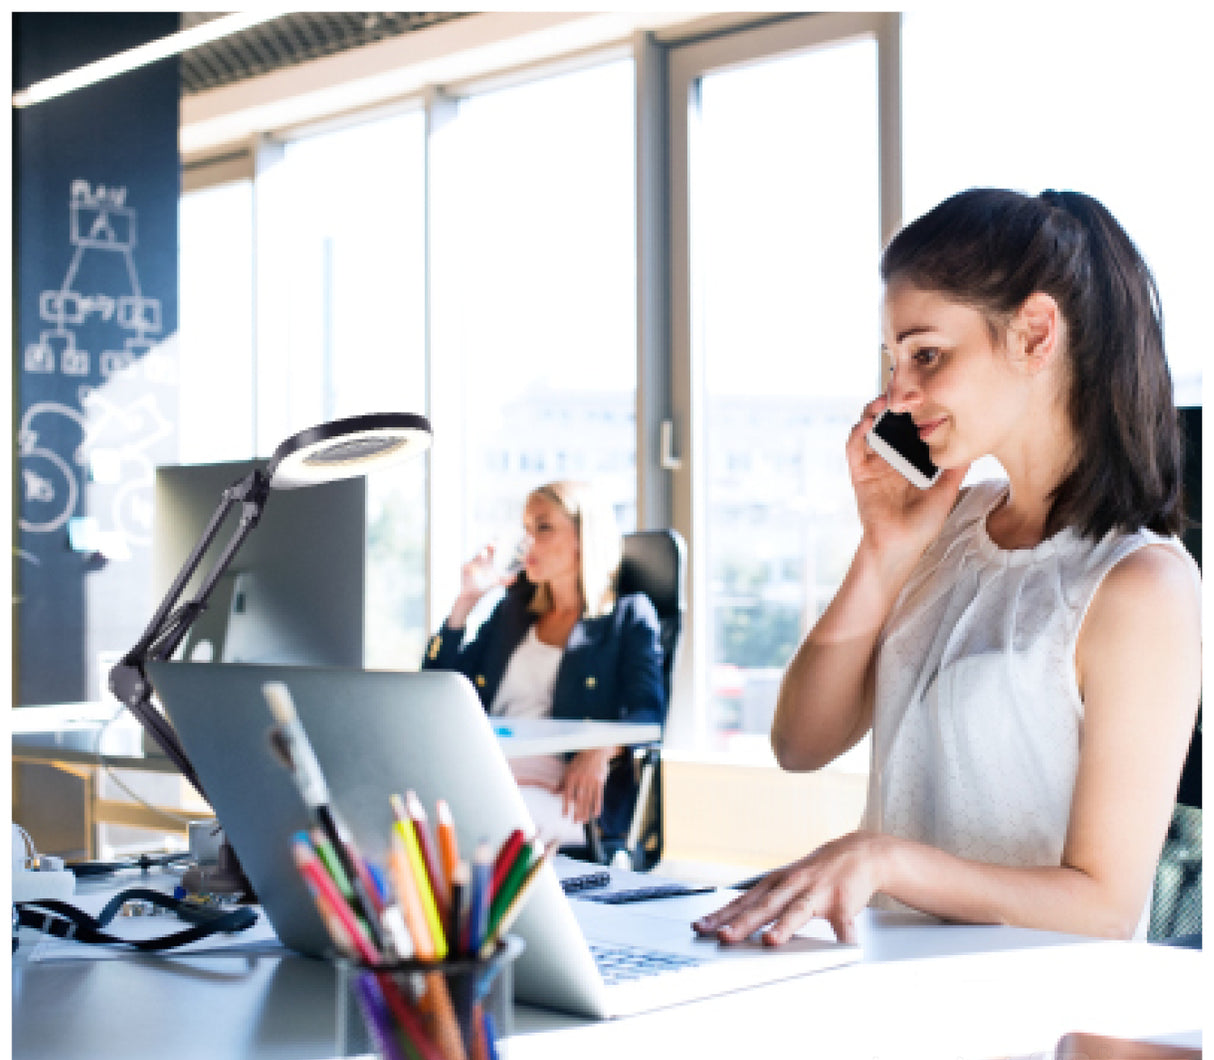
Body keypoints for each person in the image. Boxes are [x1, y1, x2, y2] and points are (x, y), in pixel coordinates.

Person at [695, 188, 1200, 947]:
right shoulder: (950, 521)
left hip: (1020, 1036)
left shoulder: (1140, 586)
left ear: (1034, 334)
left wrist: (887, 862)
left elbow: (1105, 906)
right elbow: (800, 743)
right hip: (886, 992)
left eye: (926, 354)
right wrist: (884, 550)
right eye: (895, 361)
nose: (898, 393)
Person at [423, 480, 665, 850]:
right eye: (526, 530)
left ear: (583, 537)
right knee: (405, 813)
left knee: (472, 827)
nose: (527, 542)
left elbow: (648, 714)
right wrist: (465, 603)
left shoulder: (627, 616)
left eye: (543, 527)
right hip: (483, 769)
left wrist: (602, 747)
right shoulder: (514, 611)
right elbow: (437, 691)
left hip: (562, 788)